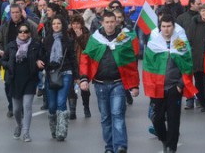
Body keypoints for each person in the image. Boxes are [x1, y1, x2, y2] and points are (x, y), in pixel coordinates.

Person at [79, 11, 140, 153]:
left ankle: (120, 146)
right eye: (107, 22)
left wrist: (134, 85)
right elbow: (86, 58)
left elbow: (130, 63)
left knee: (117, 114)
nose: (110, 24)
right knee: (105, 117)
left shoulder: (123, 38)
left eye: (112, 21)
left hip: (118, 83)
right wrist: (84, 78)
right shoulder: (96, 39)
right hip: (100, 84)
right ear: (102, 23)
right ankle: (109, 147)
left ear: (116, 22)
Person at [143, 15, 197, 153]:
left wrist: (180, 84)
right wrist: (151, 84)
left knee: (174, 120)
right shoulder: (153, 43)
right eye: (163, 26)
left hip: (174, 87)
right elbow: (147, 66)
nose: (166, 29)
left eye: (169, 26)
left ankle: (172, 147)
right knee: (157, 119)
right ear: (160, 27)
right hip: (158, 87)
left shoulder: (180, 43)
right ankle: (164, 139)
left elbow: (187, 64)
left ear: (174, 27)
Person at [37, 15, 79, 141]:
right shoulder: (46, 40)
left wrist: (77, 76)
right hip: (50, 73)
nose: (56, 25)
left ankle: (62, 131)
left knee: (61, 102)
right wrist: (39, 61)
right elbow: (42, 56)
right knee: (52, 105)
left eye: (58, 23)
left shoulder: (68, 40)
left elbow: (73, 58)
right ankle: (54, 129)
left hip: (66, 72)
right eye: (54, 23)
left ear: (63, 25)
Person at [1, 23, 41, 142]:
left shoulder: (35, 45)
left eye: (25, 31)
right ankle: (19, 125)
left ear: (29, 33)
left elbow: (41, 57)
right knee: (16, 109)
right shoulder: (11, 45)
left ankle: (26, 133)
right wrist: (8, 64)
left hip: (30, 79)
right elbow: (3, 60)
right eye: (20, 31)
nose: (23, 33)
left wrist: (39, 61)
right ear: (18, 33)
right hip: (15, 80)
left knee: (27, 106)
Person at [0, 4, 38, 117]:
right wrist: (1, 51)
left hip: (26, 60)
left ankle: (23, 108)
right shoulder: (5, 26)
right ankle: (12, 106)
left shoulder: (28, 25)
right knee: (8, 84)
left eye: (17, 12)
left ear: (21, 13)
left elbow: (36, 40)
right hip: (10, 60)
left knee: (24, 84)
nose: (15, 15)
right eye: (13, 12)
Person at [68, 14, 91, 118]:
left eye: (77, 24)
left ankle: (86, 106)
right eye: (74, 24)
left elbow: (87, 48)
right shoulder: (68, 33)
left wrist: (80, 37)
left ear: (81, 24)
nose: (75, 26)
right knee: (70, 88)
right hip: (71, 64)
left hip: (82, 64)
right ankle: (72, 110)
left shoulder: (86, 33)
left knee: (84, 87)